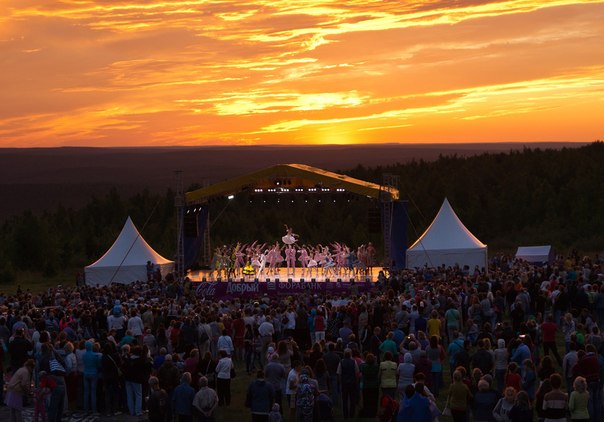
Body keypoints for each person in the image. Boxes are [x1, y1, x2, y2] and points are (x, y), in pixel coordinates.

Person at [337, 348, 360, 419]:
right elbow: (357, 372)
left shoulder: (341, 362)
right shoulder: (354, 362)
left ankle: (345, 414)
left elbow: (339, 373)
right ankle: (352, 414)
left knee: (344, 399)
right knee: (352, 399)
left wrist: (340, 382)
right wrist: (357, 381)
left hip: (344, 383)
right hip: (352, 382)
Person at [359, 352, 379, 417]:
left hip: (366, 386)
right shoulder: (376, 366)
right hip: (374, 386)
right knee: (374, 400)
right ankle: (373, 412)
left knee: (366, 400)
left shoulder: (363, 366)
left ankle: (367, 412)